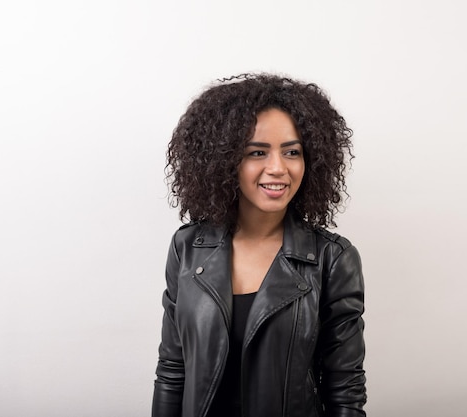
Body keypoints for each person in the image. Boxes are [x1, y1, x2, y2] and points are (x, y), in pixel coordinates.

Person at [152, 73, 366, 417]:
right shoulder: (188, 247)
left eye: (292, 151)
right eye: (258, 152)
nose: (278, 168)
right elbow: (173, 368)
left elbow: (345, 390)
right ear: (224, 161)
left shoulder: (332, 259)